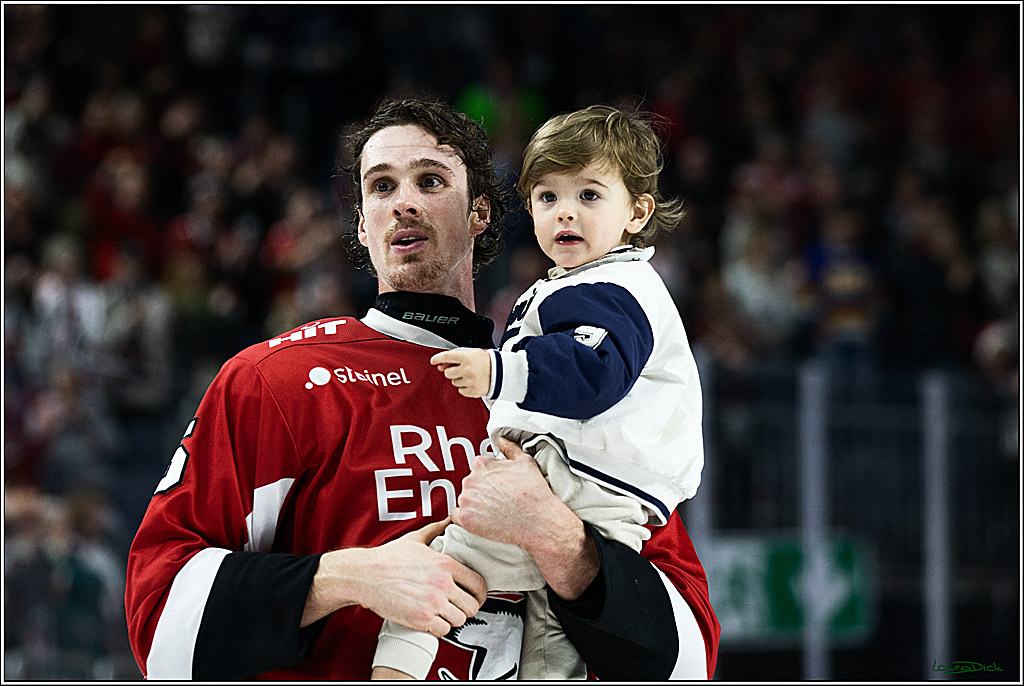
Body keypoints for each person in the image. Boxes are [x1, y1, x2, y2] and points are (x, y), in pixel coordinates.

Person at [124, 97, 720, 680]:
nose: (404, 202)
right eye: (381, 187)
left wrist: (560, 541)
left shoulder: (575, 390)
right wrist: (347, 578)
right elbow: (158, 627)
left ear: (480, 213)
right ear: (362, 223)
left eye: (431, 181)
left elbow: (693, 661)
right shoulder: (278, 382)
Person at [372, 104, 706, 680]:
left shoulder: (614, 286)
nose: (566, 214)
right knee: (555, 639)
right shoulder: (591, 282)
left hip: (583, 484)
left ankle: (391, 674)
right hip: (609, 496)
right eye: (548, 198)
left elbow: (590, 370)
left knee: (435, 570)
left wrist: (499, 373)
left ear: (638, 210)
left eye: (590, 196)